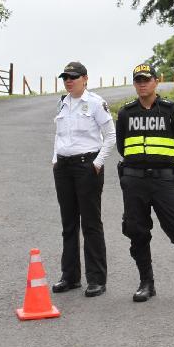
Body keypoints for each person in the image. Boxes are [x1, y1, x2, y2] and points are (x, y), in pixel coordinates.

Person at [116, 63, 174, 303]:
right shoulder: (126, 113)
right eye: (138, 80)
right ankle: (146, 283)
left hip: (164, 181)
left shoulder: (171, 110)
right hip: (134, 181)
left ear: (156, 82)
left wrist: (162, 163)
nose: (142, 84)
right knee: (137, 232)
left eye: (146, 79)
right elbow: (121, 146)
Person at [51, 61, 115, 298]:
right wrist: (54, 159)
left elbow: (111, 136)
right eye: (65, 77)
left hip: (87, 166)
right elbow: (58, 135)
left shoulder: (96, 103)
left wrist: (97, 163)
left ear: (85, 79)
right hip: (64, 167)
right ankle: (70, 276)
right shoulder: (62, 103)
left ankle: (97, 280)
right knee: (68, 224)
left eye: (73, 77)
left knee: (90, 223)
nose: (68, 80)